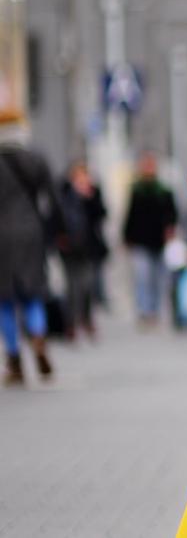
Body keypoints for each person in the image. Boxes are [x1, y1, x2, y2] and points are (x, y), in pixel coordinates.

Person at [0, 132, 61, 385]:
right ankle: (38, 337)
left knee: (4, 299)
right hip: (31, 232)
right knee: (33, 294)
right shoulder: (36, 159)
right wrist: (58, 231)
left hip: (1, 235)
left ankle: (14, 357)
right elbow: (53, 199)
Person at [124, 150, 179, 327]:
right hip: (141, 240)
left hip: (159, 241)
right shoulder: (137, 190)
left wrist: (170, 229)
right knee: (143, 276)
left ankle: (154, 310)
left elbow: (173, 214)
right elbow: (130, 215)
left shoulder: (163, 191)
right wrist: (126, 236)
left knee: (157, 278)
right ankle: (144, 310)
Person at [57, 160, 108, 341]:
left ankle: (86, 319)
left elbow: (101, 215)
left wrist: (90, 198)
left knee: (86, 285)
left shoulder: (93, 194)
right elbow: (56, 217)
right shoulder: (64, 193)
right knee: (72, 286)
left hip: (87, 247)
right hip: (68, 246)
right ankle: (70, 323)